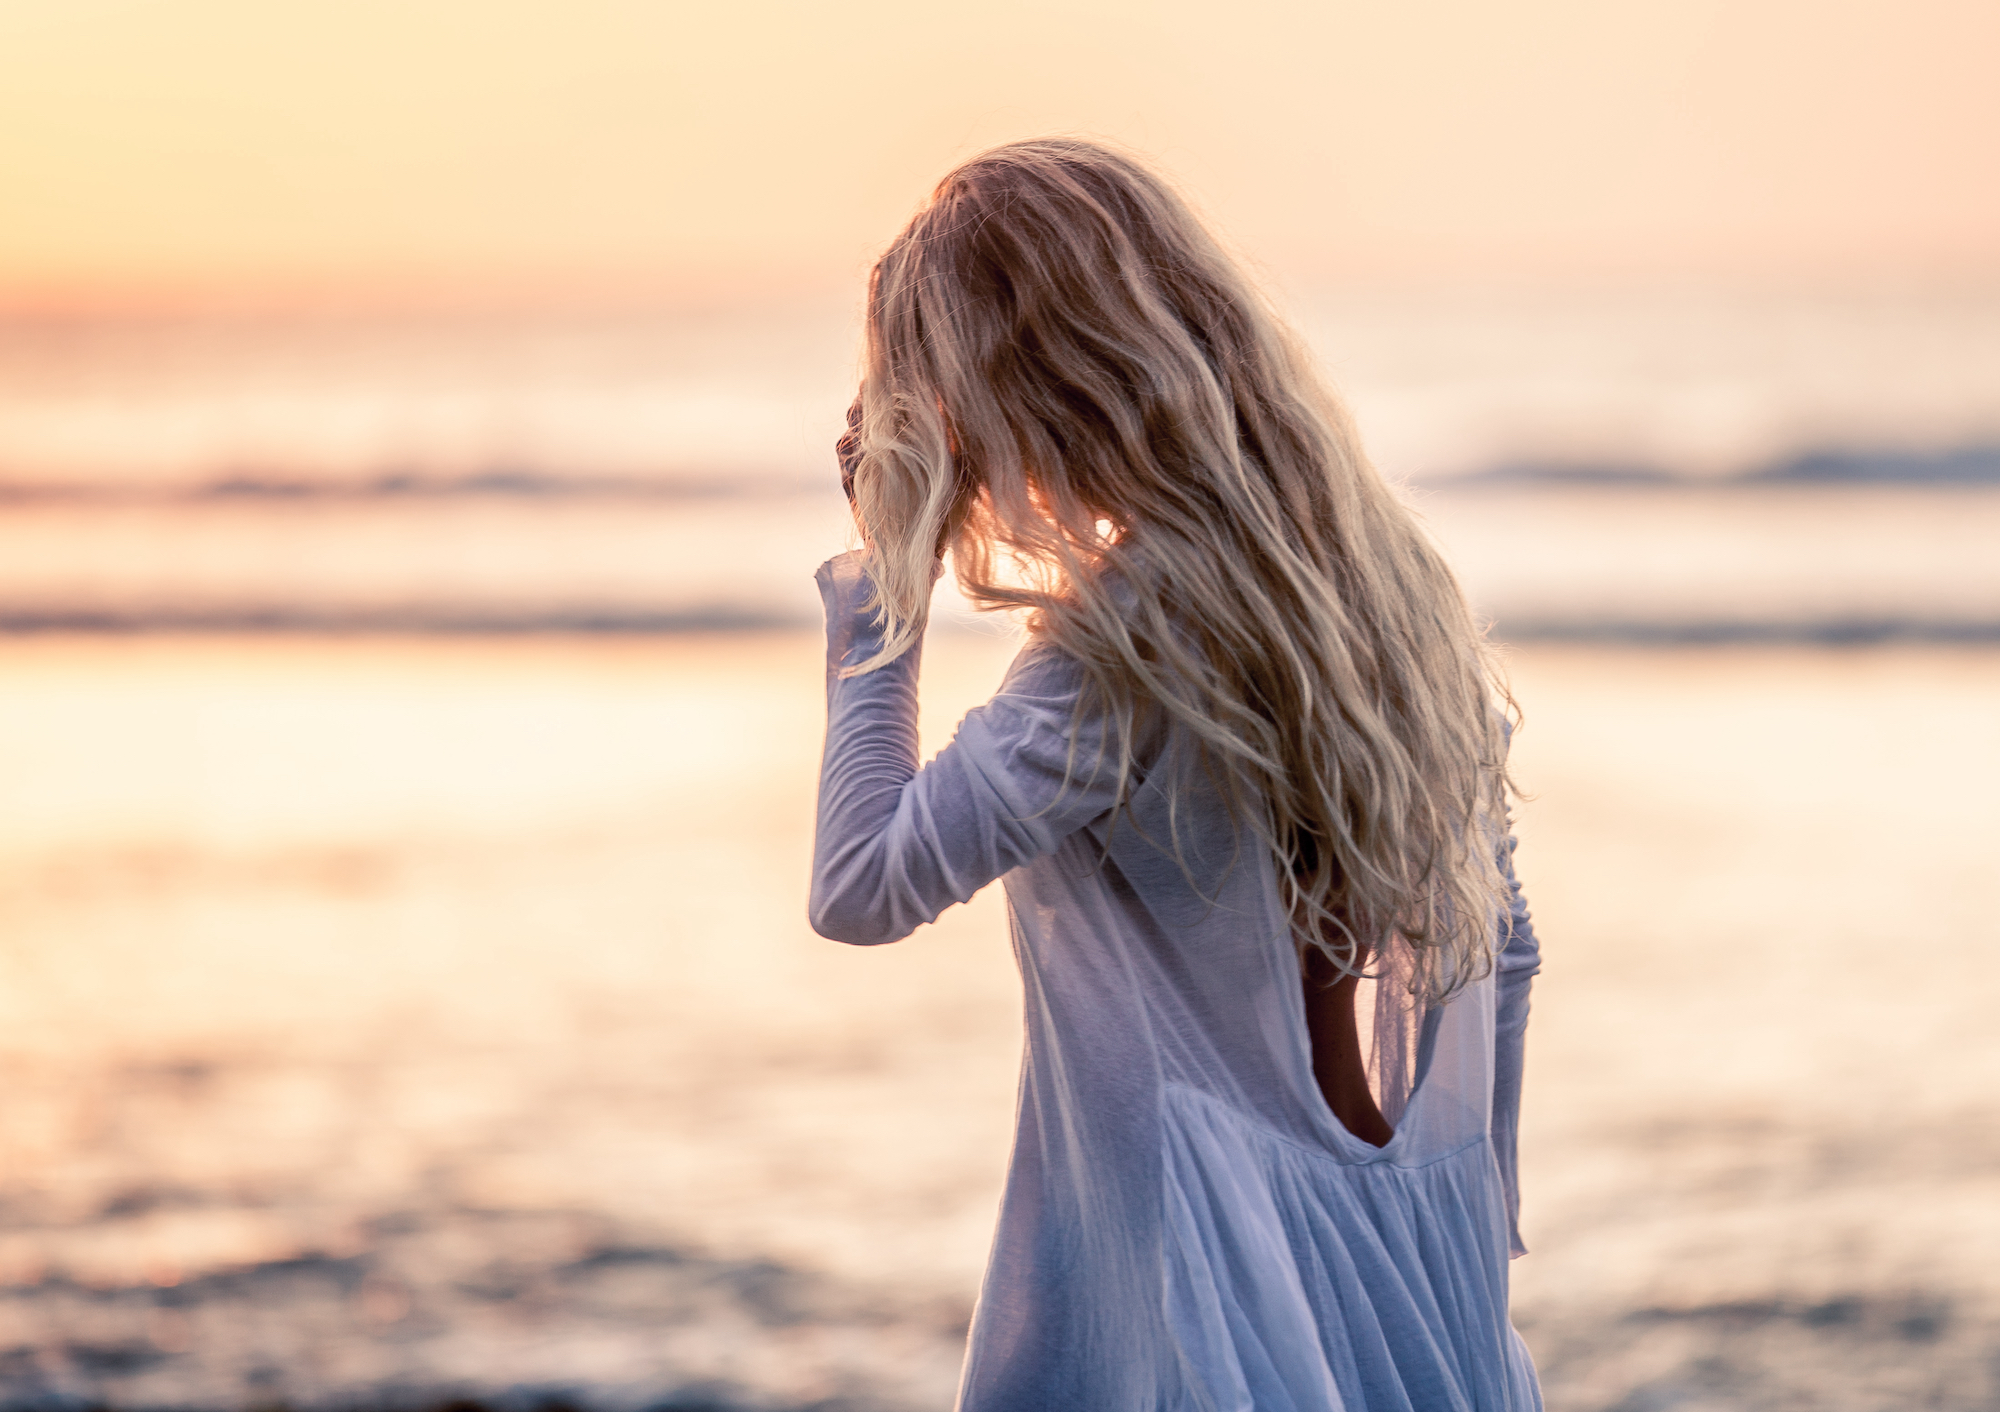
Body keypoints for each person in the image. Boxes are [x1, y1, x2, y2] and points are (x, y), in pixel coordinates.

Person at [810, 138, 1543, 1411]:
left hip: (1191, 1308)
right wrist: (1472, 1220)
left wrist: (885, 570)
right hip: (1411, 1295)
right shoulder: (1387, 588)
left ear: (1018, 382)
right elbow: (1506, 948)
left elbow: (859, 885)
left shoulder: (1117, 653)